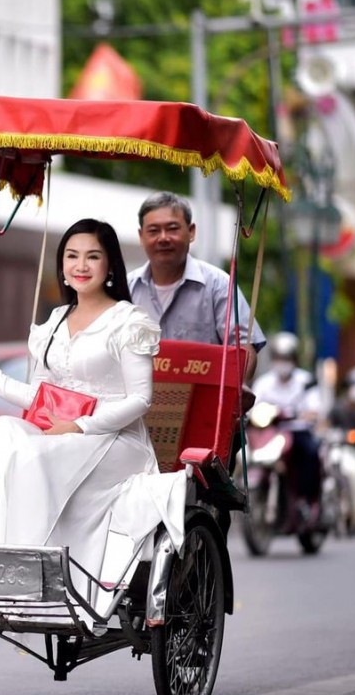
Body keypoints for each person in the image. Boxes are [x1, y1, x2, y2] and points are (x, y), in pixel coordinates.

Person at [0, 219, 187, 597]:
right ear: (62, 264)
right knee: (4, 431)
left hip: (116, 441)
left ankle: (33, 573)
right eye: (72, 256)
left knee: (37, 456)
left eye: (92, 257)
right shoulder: (53, 324)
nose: (80, 265)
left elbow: (140, 400)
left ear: (110, 266)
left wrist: (80, 426)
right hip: (59, 435)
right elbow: (37, 397)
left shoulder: (129, 322)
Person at [129, 192, 266, 380]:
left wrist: (230, 388)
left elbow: (244, 350)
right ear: (141, 236)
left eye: (172, 229)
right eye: (153, 231)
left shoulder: (218, 285)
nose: (163, 238)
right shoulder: (126, 288)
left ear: (191, 231)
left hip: (205, 396)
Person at [251, 332, 323, 508]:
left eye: (286, 358)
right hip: (271, 433)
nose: (282, 363)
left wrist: (304, 415)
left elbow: (315, 409)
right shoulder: (264, 383)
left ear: (294, 359)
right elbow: (253, 408)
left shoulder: (305, 381)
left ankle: (306, 500)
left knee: (311, 453)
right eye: (279, 358)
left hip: (298, 432)